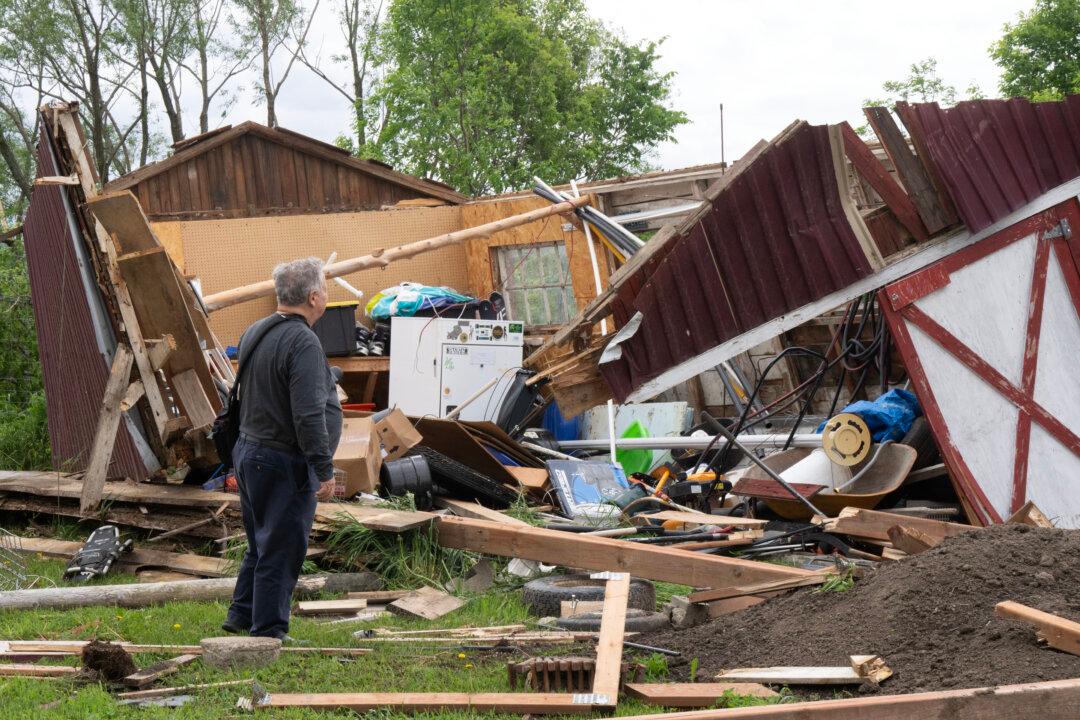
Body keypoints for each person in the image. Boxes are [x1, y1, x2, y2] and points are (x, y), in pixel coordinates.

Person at [223, 257, 342, 641]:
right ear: (313, 297)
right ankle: (269, 630)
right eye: (325, 286)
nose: (327, 293)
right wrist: (323, 470)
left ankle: (242, 614)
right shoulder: (303, 341)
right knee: (282, 546)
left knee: (261, 541)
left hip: (249, 451)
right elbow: (308, 415)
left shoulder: (256, 330)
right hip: (280, 460)